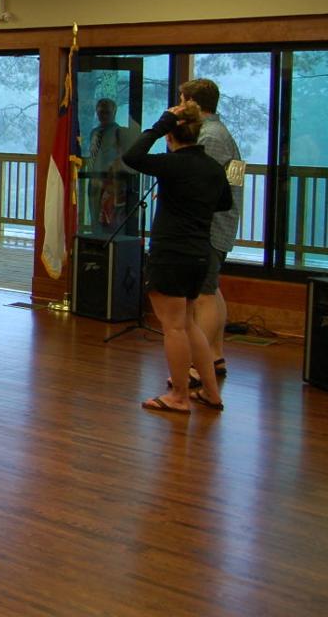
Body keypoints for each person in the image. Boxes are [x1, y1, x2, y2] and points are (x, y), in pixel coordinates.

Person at [123, 102, 231, 414]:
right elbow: (222, 202)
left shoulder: (174, 164)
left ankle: (180, 396)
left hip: (171, 252)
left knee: (174, 327)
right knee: (189, 323)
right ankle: (211, 393)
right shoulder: (211, 166)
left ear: (171, 136)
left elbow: (132, 156)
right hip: (199, 252)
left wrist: (160, 124)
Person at [177, 79, 243, 388]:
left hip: (210, 225)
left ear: (192, 103)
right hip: (219, 221)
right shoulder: (222, 132)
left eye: (181, 99)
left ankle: (196, 364)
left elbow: (203, 181)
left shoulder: (211, 136)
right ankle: (215, 355)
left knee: (202, 297)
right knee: (212, 290)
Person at [86, 98, 137, 235]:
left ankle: (109, 244)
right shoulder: (94, 133)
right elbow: (91, 155)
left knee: (109, 219)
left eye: (107, 112)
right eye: (100, 112)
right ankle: (95, 240)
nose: (103, 115)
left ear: (114, 112)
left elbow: (122, 158)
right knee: (94, 215)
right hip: (93, 179)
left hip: (110, 182)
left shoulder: (119, 132)